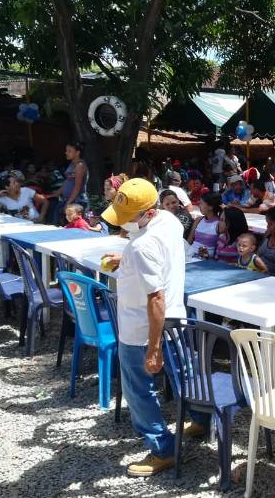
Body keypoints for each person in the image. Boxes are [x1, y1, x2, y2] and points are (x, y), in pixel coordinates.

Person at [98, 178, 204, 477]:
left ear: (147, 212)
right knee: (185, 377)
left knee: (139, 392)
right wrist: (127, 259)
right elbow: (160, 257)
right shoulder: (168, 221)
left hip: (141, 329)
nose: (123, 224)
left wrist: (153, 348)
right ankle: (200, 420)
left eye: (128, 218)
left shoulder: (142, 246)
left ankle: (163, 449)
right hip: (175, 319)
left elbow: (155, 298)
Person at [57, 141, 89, 218]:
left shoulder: (80, 165)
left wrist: (69, 202)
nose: (66, 153)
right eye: (66, 150)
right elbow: (67, 181)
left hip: (77, 201)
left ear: (77, 153)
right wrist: (57, 193)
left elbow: (77, 187)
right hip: (69, 200)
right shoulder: (72, 164)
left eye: (69, 151)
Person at [186, 192, 222, 259]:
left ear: (210, 207)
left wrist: (207, 256)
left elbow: (219, 249)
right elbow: (189, 241)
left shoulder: (219, 224)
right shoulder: (198, 220)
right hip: (190, 255)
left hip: (206, 259)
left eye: (201, 203)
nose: (199, 206)